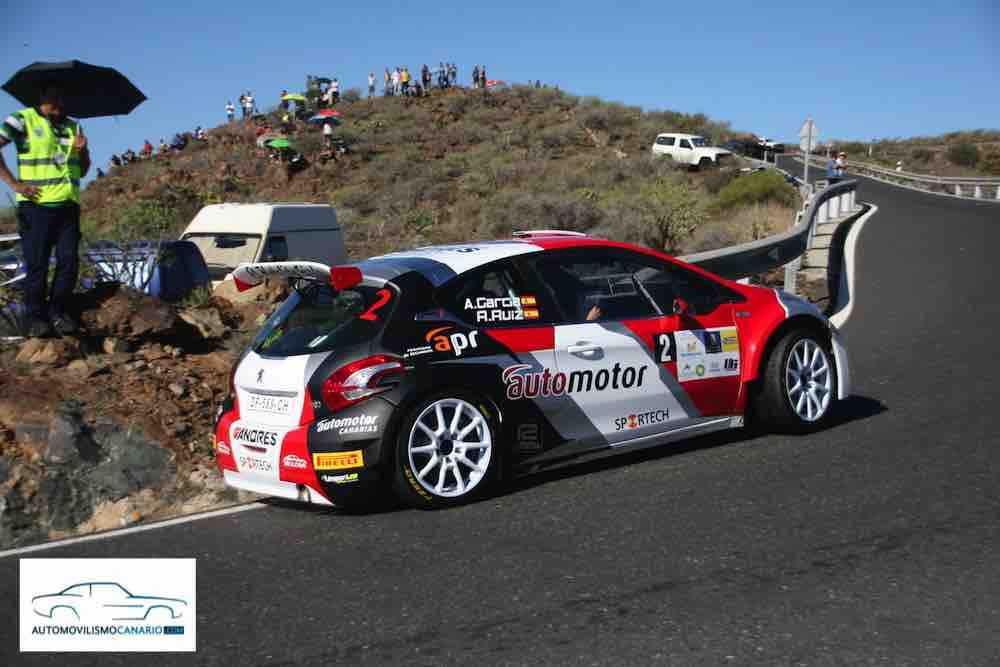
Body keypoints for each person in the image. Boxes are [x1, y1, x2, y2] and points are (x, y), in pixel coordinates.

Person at [0, 85, 90, 337]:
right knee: (37, 264)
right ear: (43, 97)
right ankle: (35, 319)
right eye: (55, 98)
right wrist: (14, 184)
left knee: (69, 262)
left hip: (68, 206)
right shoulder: (21, 119)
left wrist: (82, 151)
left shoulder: (74, 127)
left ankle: (59, 312)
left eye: (63, 98)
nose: (60, 103)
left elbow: (83, 170)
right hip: (36, 207)